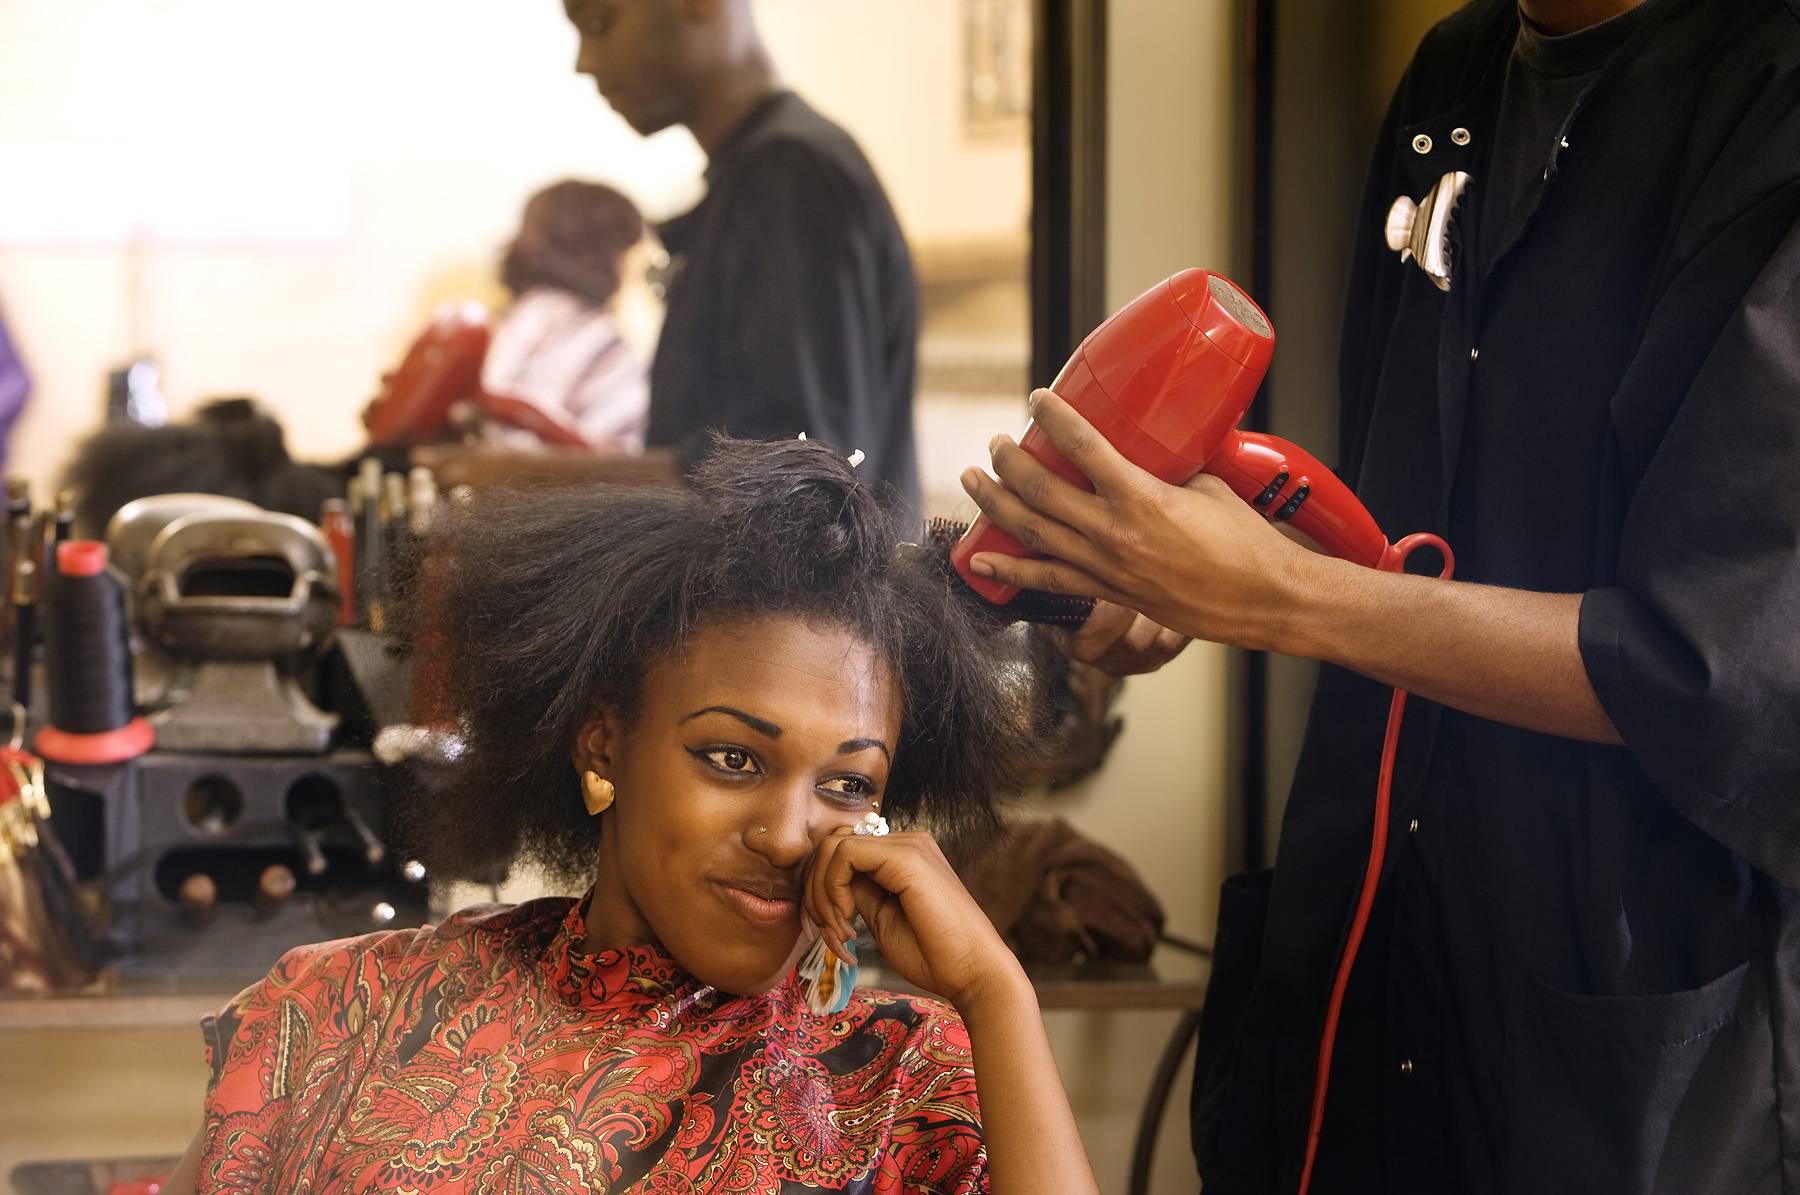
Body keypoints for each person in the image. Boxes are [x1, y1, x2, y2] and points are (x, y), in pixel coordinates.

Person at [958, 0, 1800, 1190]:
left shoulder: (1771, 94)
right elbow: (1401, 531)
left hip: (1630, 993)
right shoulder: (1455, 74)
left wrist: (1281, 598)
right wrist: (1184, 575)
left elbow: (1714, 667)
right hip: (1368, 923)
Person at [161, 437, 1100, 1194]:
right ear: (603, 745)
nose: (786, 831)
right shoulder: (339, 1010)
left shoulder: (907, 1081)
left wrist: (995, 993)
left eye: (846, 784)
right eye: (733, 759)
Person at [564, 0, 923, 522]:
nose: (585, 62)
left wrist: (525, 478)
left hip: (809, 604)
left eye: (600, 23)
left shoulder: (789, 174)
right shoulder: (757, 173)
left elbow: (800, 476)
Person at [480, 178, 651, 454]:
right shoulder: (601, 341)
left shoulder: (507, 325)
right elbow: (623, 460)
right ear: (608, 251)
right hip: (571, 492)